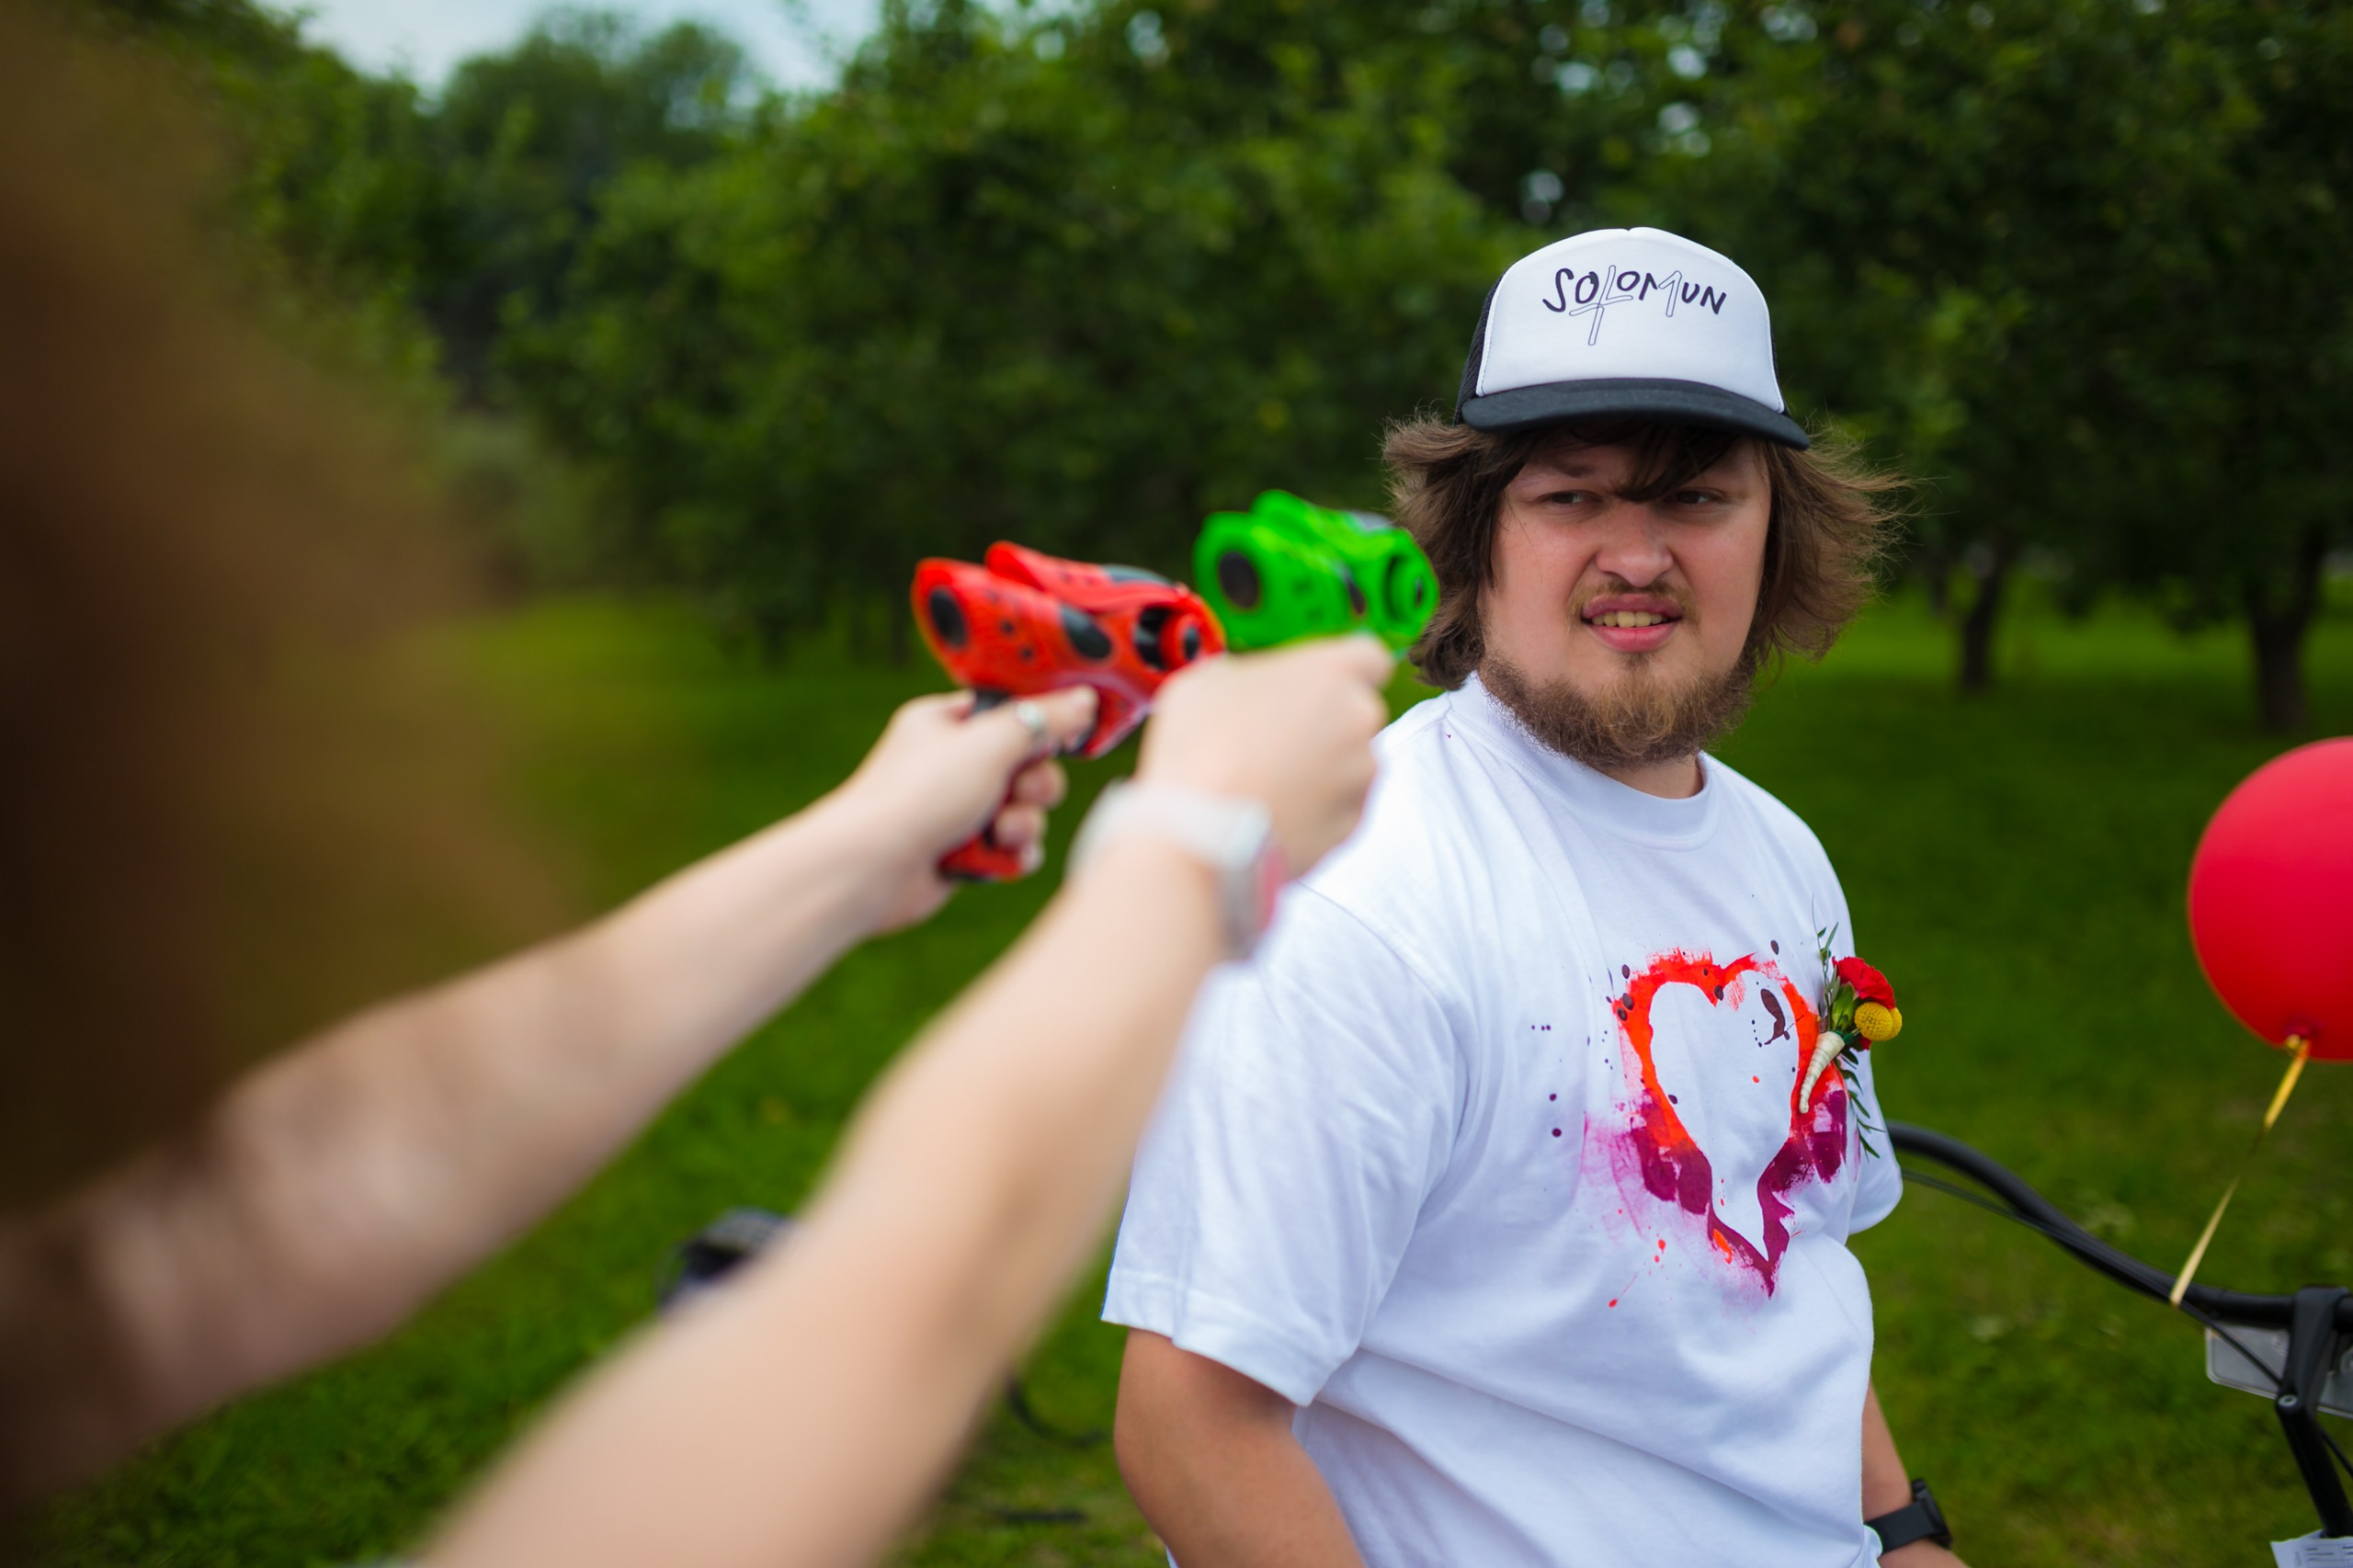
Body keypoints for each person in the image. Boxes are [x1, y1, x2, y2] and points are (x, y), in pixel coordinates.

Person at [1105, 226, 1967, 1567]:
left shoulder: (1784, 856)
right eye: (1572, 499)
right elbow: (1189, 1429)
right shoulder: (1357, 893)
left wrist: (1904, 1533)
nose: (1638, 555)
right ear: (1477, 536)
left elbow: (1780, 1270)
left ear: (1775, 531)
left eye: (1696, 499)